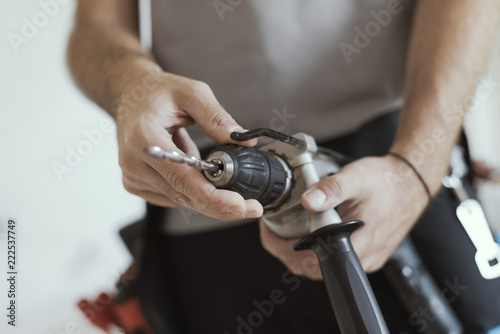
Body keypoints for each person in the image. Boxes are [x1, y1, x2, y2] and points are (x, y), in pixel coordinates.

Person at [68, 0, 500, 333]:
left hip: (392, 174)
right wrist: (131, 82)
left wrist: (415, 168)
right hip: (202, 215)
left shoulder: (407, 173)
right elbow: (96, 27)